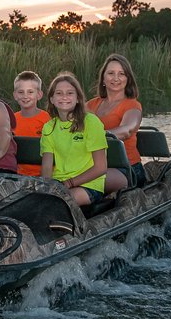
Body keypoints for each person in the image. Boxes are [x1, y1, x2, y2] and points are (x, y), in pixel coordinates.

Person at [41, 72, 107, 206]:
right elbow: (47, 167)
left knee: (60, 201)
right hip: (58, 184)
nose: (64, 97)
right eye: (59, 93)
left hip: (88, 185)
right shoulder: (49, 127)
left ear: (78, 98)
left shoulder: (91, 122)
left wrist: (70, 183)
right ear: (52, 99)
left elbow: (101, 167)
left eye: (70, 93)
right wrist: (47, 187)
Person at [86, 53, 146, 193]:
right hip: (94, 165)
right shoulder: (90, 105)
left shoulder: (132, 105)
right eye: (111, 73)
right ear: (103, 78)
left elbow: (127, 130)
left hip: (127, 169)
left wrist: (95, 136)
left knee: (84, 178)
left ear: (127, 79)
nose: (116, 78)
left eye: (121, 74)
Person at [12, 70, 51, 176]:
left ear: (39, 94)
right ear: (15, 95)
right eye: (21, 92)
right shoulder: (12, 119)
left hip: (42, 174)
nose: (25, 96)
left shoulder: (46, 119)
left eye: (30, 92)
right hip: (18, 174)